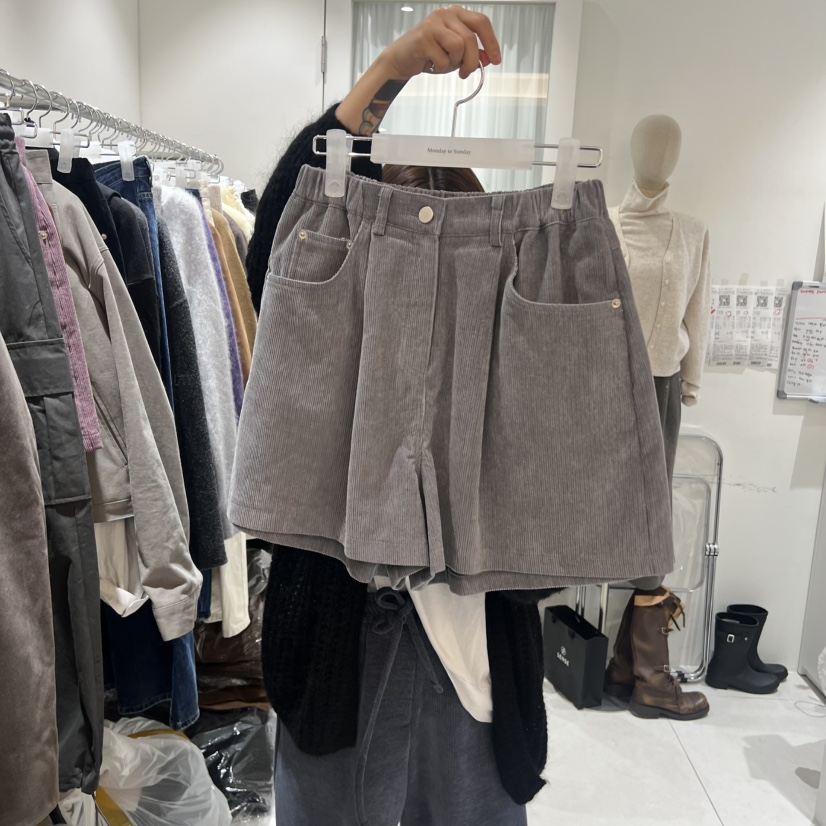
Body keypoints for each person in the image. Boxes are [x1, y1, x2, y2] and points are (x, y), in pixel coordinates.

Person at [245, 8, 551, 825]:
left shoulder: (510, 328)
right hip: (336, 666)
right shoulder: (322, 327)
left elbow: (550, 538)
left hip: (478, 678)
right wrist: (392, 70)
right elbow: (278, 242)